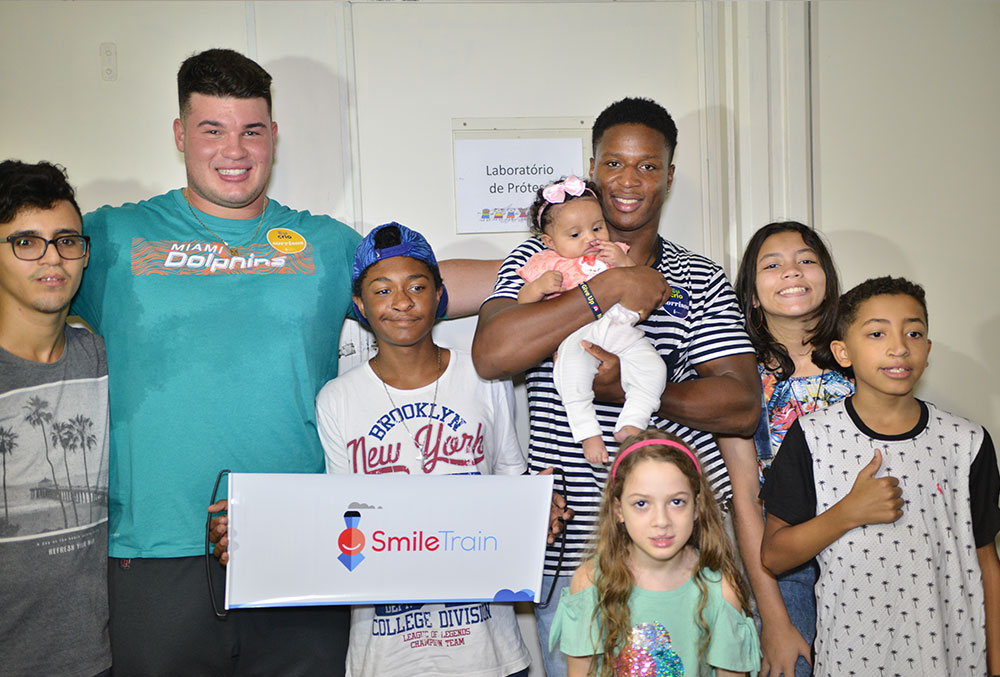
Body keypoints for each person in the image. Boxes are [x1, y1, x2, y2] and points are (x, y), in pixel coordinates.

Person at [71, 48, 361, 675]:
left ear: (273, 138)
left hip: (298, 540)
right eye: (213, 130)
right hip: (154, 550)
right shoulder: (113, 237)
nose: (235, 150)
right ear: (181, 135)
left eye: (251, 131)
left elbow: (423, 285)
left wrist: (569, 272)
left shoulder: (326, 242)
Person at [473, 97, 760, 676]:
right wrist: (606, 289)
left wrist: (621, 391)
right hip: (574, 538)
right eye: (613, 164)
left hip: (680, 538)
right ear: (593, 166)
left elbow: (741, 405)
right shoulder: (540, 257)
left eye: (648, 166)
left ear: (670, 176)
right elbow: (492, 352)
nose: (629, 181)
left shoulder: (697, 276)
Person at [313, 222, 531, 676]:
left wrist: (539, 509)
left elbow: (512, 482)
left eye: (417, 286)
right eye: (382, 290)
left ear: (438, 295)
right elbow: (340, 516)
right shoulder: (337, 398)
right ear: (360, 305)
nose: (402, 302)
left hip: (487, 647)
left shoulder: (483, 377)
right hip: (384, 652)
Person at [760, 276, 1000, 675]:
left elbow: (986, 562)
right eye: (876, 333)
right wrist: (848, 512)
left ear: (927, 349)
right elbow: (774, 555)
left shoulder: (967, 441)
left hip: (955, 658)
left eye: (914, 332)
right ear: (842, 352)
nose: (899, 347)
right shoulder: (813, 436)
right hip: (853, 658)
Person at [719, 221, 853, 676]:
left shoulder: (863, 364)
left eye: (806, 260)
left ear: (827, 279)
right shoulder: (738, 378)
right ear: (753, 294)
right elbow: (744, 498)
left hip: (863, 554)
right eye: (772, 265)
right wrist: (774, 618)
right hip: (781, 569)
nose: (792, 272)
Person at [0, 160, 110, 676]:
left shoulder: (105, 360)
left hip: (101, 657)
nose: (53, 258)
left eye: (67, 240)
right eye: (26, 242)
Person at [550, 430, 761, 676]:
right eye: (642, 504)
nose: (661, 521)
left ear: (697, 506)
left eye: (676, 502)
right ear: (618, 510)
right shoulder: (589, 584)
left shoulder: (721, 592)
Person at [516, 175, 665, 465]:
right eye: (575, 235)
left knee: (654, 368)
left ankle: (634, 420)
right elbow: (521, 305)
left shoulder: (616, 253)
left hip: (621, 327)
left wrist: (623, 264)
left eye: (597, 227)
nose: (590, 238)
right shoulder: (546, 263)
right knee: (571, 375)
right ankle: (587, 432)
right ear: (549, 241)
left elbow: (642, 285)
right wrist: (539, 287)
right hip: (579, 335)